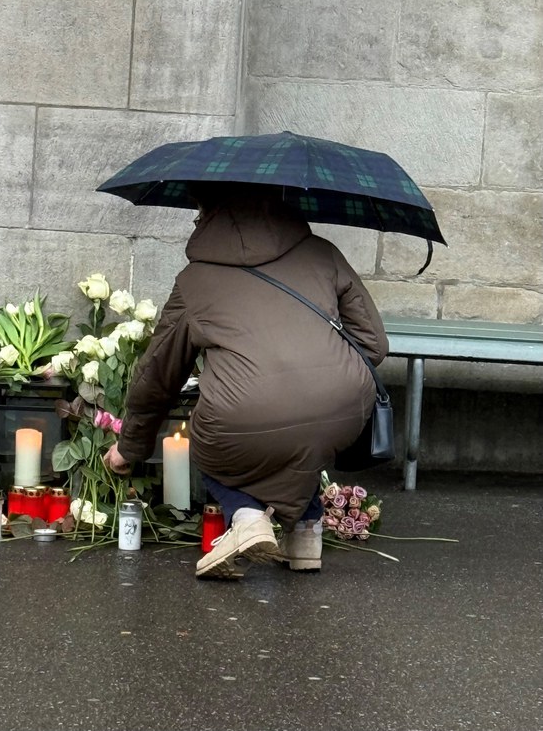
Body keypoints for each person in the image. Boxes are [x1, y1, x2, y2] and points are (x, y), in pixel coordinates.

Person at [104, 184, 388, 579]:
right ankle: (306, 532)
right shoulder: (324, 253)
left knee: (212, 439)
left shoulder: (195, 279)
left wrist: (129, 446)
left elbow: (159, 376)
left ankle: (247, 516)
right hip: (343, 407)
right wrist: (326, 373)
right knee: (304, 435)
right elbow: (374, 343)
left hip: (241, 414)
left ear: (211, 214)